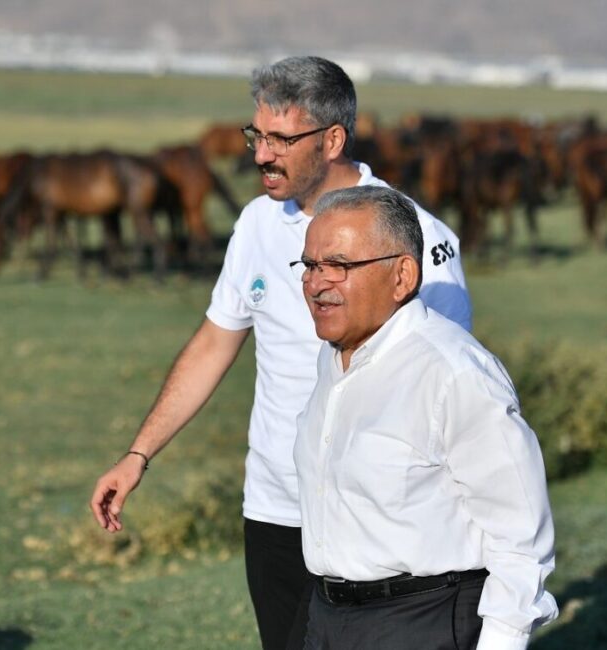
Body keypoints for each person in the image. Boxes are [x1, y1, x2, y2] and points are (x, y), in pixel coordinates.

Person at [89, 56, 474, 650]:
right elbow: (216, 340)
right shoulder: (256, 224)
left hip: (374, 523)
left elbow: (454, 391)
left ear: (333, 139)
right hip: (273, 511)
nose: (260, 154)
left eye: (280, 139)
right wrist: (139, 454)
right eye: (257, 135)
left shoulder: (417, 240)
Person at [293, 185, 557, 650]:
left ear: (402, 276)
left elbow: (520, 537)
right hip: (328, 617)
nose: (316, 284)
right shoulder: (334, 359)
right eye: (310, 266)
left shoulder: (453, 373)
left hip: (422, 623)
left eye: (339, 266)